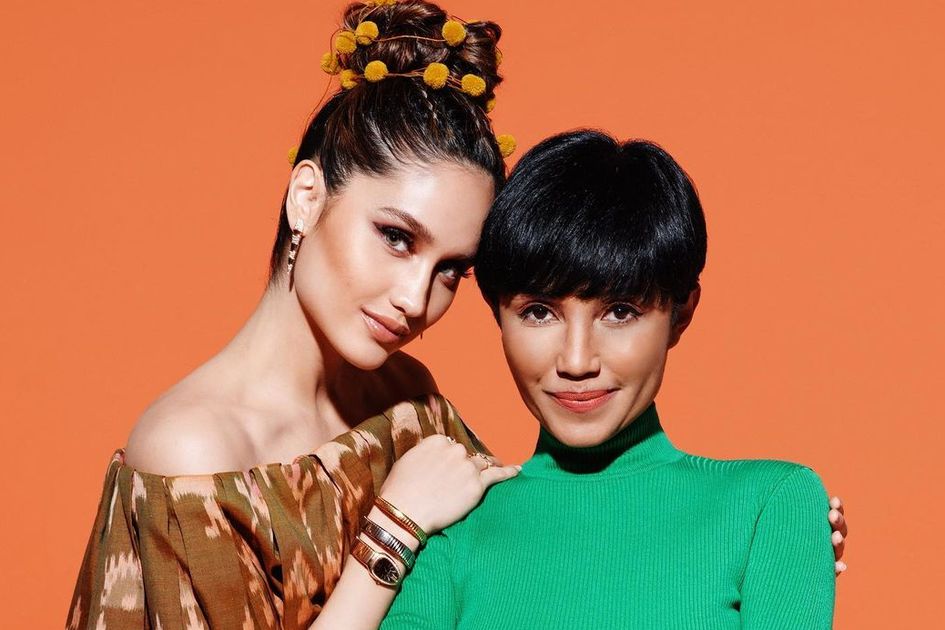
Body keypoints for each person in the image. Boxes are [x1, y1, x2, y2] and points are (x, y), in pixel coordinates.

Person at [67, 2, 847, 627]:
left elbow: (544, 513)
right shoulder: (192, 448)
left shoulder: (406, 404)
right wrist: (391, 532)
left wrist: (774, 530)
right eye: (395, 237)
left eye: (450, 270)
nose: (416, 299)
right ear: (306, 196)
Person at [380, 131, 837, 629]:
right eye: (538, 312)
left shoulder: (768, 508)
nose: (577, 361)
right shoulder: (450, 527)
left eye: (620, 312)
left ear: (681, 314)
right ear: (498, 315)